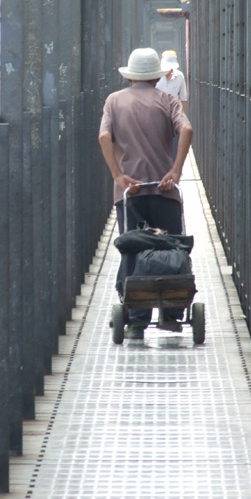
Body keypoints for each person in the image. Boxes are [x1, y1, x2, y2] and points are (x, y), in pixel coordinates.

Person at [99, 47, 193, 339]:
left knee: (133, 248)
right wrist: (175, 171)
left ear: (130, 77)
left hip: (130, 192)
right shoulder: (168, 100)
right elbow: (186, 129)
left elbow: (104, 136)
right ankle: (172, 313)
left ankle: (137, 318)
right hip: (164, 190)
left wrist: (118, 175)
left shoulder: (114, 101)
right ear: (156, 77)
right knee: (172, 246)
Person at [156, 50, 188, 159]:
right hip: (157, 116)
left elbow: (183, 99)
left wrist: (183, 120)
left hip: (173, 117)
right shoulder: (155, 76)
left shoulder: (179, 76)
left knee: (174, 148)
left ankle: (172, 168)